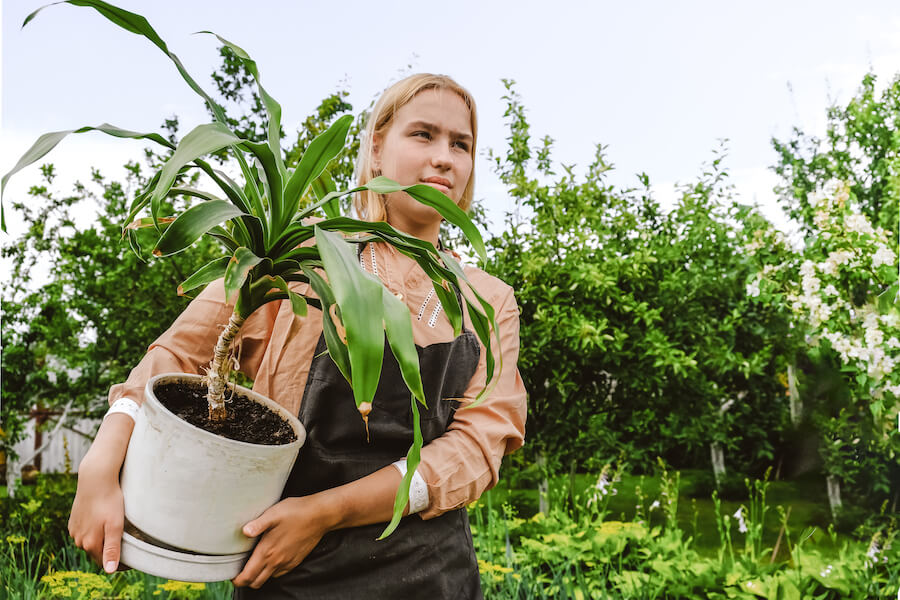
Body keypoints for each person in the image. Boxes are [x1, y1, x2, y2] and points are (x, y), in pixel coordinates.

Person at [68, 73, 527, 598]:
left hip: (428, 575)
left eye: (460, 144)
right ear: (376, 150)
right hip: (289, 574)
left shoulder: (488, 301)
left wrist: (323, 513)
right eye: (422, 135)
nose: (444, 157)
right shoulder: (299, 263)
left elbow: (477, 445)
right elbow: (178, 355)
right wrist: (101, 463)